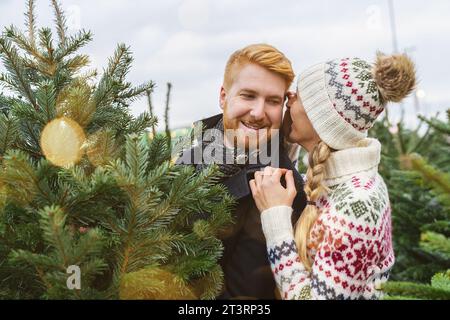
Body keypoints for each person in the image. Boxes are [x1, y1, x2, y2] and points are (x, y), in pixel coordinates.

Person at [250, 53, 416, 299]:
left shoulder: (358, 203)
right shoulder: (334, 181)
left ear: (322, 119)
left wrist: (276, 222)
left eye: (300, 95)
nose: (289, 97)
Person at [176, 43, 307, 299]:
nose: (258, 113)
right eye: (248, 96)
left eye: (272, 101)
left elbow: (245, 297)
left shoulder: (281, 188)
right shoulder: (188, 157)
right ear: (224, 97)